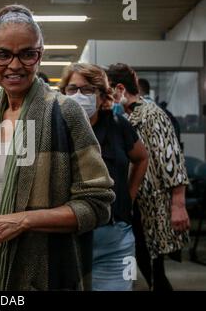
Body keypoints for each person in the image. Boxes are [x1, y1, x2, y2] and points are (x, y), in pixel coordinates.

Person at [0, 4, 115, 291]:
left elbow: (97, 204)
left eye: (27, 54)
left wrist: (23, 221)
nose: (15, 65)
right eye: (3, 54)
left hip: (41, 268)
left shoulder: (66, 112)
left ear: (40, 55)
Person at [60, 63, 148, 291]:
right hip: (68, 239)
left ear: (102, 96)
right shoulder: (56, 131)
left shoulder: (119, 126)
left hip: (115, 238)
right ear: (63, 93)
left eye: (88, 90)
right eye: (72, 89)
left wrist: (128, 195)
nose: (79, 96)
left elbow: (141, 157)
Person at [107, 63, 190, 291]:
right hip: (133, 204)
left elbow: (172, 161)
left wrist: (178, 205)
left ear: (120, 88)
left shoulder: (152, 115)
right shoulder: (121, 115)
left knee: (154, 271)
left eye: (107, 89)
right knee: (137, 265)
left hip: (153, 205)